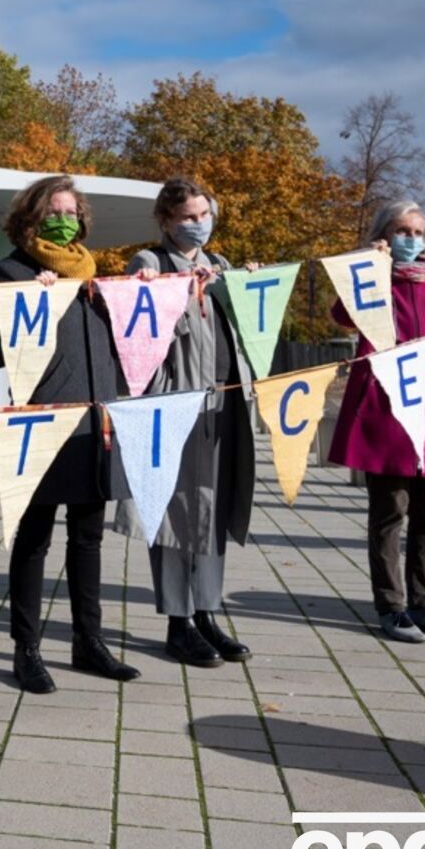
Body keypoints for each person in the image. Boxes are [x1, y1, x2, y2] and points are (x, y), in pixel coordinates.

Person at [0, 175, 139, 692]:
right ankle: (25, 649)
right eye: (54, 210)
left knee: (88, 538)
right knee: (34, 540)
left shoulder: (93, 275)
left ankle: (88, 641)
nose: (64, 219)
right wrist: (32, 305)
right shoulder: (11, 272)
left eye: (72, 212)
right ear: (31, 216)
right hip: (41, 424)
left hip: (95, 422)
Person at [116, 177, 258, 667]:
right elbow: (139, 337)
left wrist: (245, 287)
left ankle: (207, 612)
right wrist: (165, 292)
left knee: (212, 508)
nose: (198, 225)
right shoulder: (150, 263)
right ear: (165, 221)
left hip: (224, 403)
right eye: (187, 218)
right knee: (174, 512)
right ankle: (179, 622)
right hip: (175, 406)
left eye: (204, 215)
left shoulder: (220, 264)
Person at [329, 200, 425, 642]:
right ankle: (391, 607)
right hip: (388, 413)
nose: (411, 239)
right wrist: (369, 266)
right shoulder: (373, 280)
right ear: (385, 235)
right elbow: (341, 315)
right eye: (402, 231)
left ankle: (424, 605)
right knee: (389, 514)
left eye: (417, 232)